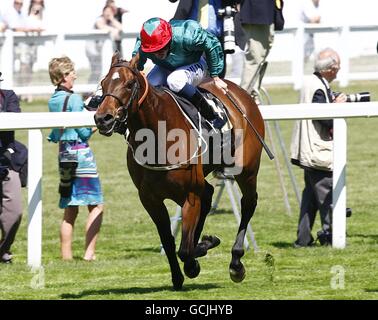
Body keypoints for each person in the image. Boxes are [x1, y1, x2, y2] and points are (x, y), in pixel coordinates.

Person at [47, 56, 104, 261]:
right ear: (63, 76)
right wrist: (97, 123)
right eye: (72, 73)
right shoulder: (75, 99)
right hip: (81, 155)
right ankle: (89, 254)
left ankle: (66, 257)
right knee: (96, 205)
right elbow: (84, 133)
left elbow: (55, 132)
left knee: (70, 208)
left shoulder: (52, 100)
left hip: (63, 155)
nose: (75, 76)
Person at [290, 47, 347, 247]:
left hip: (307, 149)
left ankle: (303, 239)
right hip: (316, 150)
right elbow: (324, 118)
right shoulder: (317, 87)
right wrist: (337, 107)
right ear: (329, 69)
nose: (339, 70)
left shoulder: (310, 82)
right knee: (326, 194)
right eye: (337, 66)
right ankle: (331, 235)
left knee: (310, 199)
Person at [132, 17, 228, 129]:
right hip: (165, 67)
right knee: (149, 85)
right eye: (153, 51)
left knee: (175, 80)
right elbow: (135, 64)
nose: (157, 53)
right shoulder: (144, 43)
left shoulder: (187, 35)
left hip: (196, 63)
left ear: (169, 39)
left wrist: (216, 76)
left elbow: (212, 44)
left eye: (161, 48)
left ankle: (211, 115)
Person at [0, 71, 28, 264]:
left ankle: (3, 249)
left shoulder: (8, 96)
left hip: (6, 161)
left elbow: (13, 119)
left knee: (14, 212)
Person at [237, 0, 282, 101]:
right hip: (256, 11)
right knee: (255, 58)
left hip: (267, 11)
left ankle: (252, 95)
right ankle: (242, 100)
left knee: (260, 58)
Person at [85, 5, 123, 83]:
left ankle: (93, 88)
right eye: (106, 11)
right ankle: (89, 89)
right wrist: (113, 30)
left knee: (100, 70)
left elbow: (121, 28)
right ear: (103, 12)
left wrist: (112, 19)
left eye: (110, 12)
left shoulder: (111, 21)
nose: (108, 13)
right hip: (93, 50)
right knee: (96, 70)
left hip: (100, 51)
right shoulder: (99, 19)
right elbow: (101, 26)